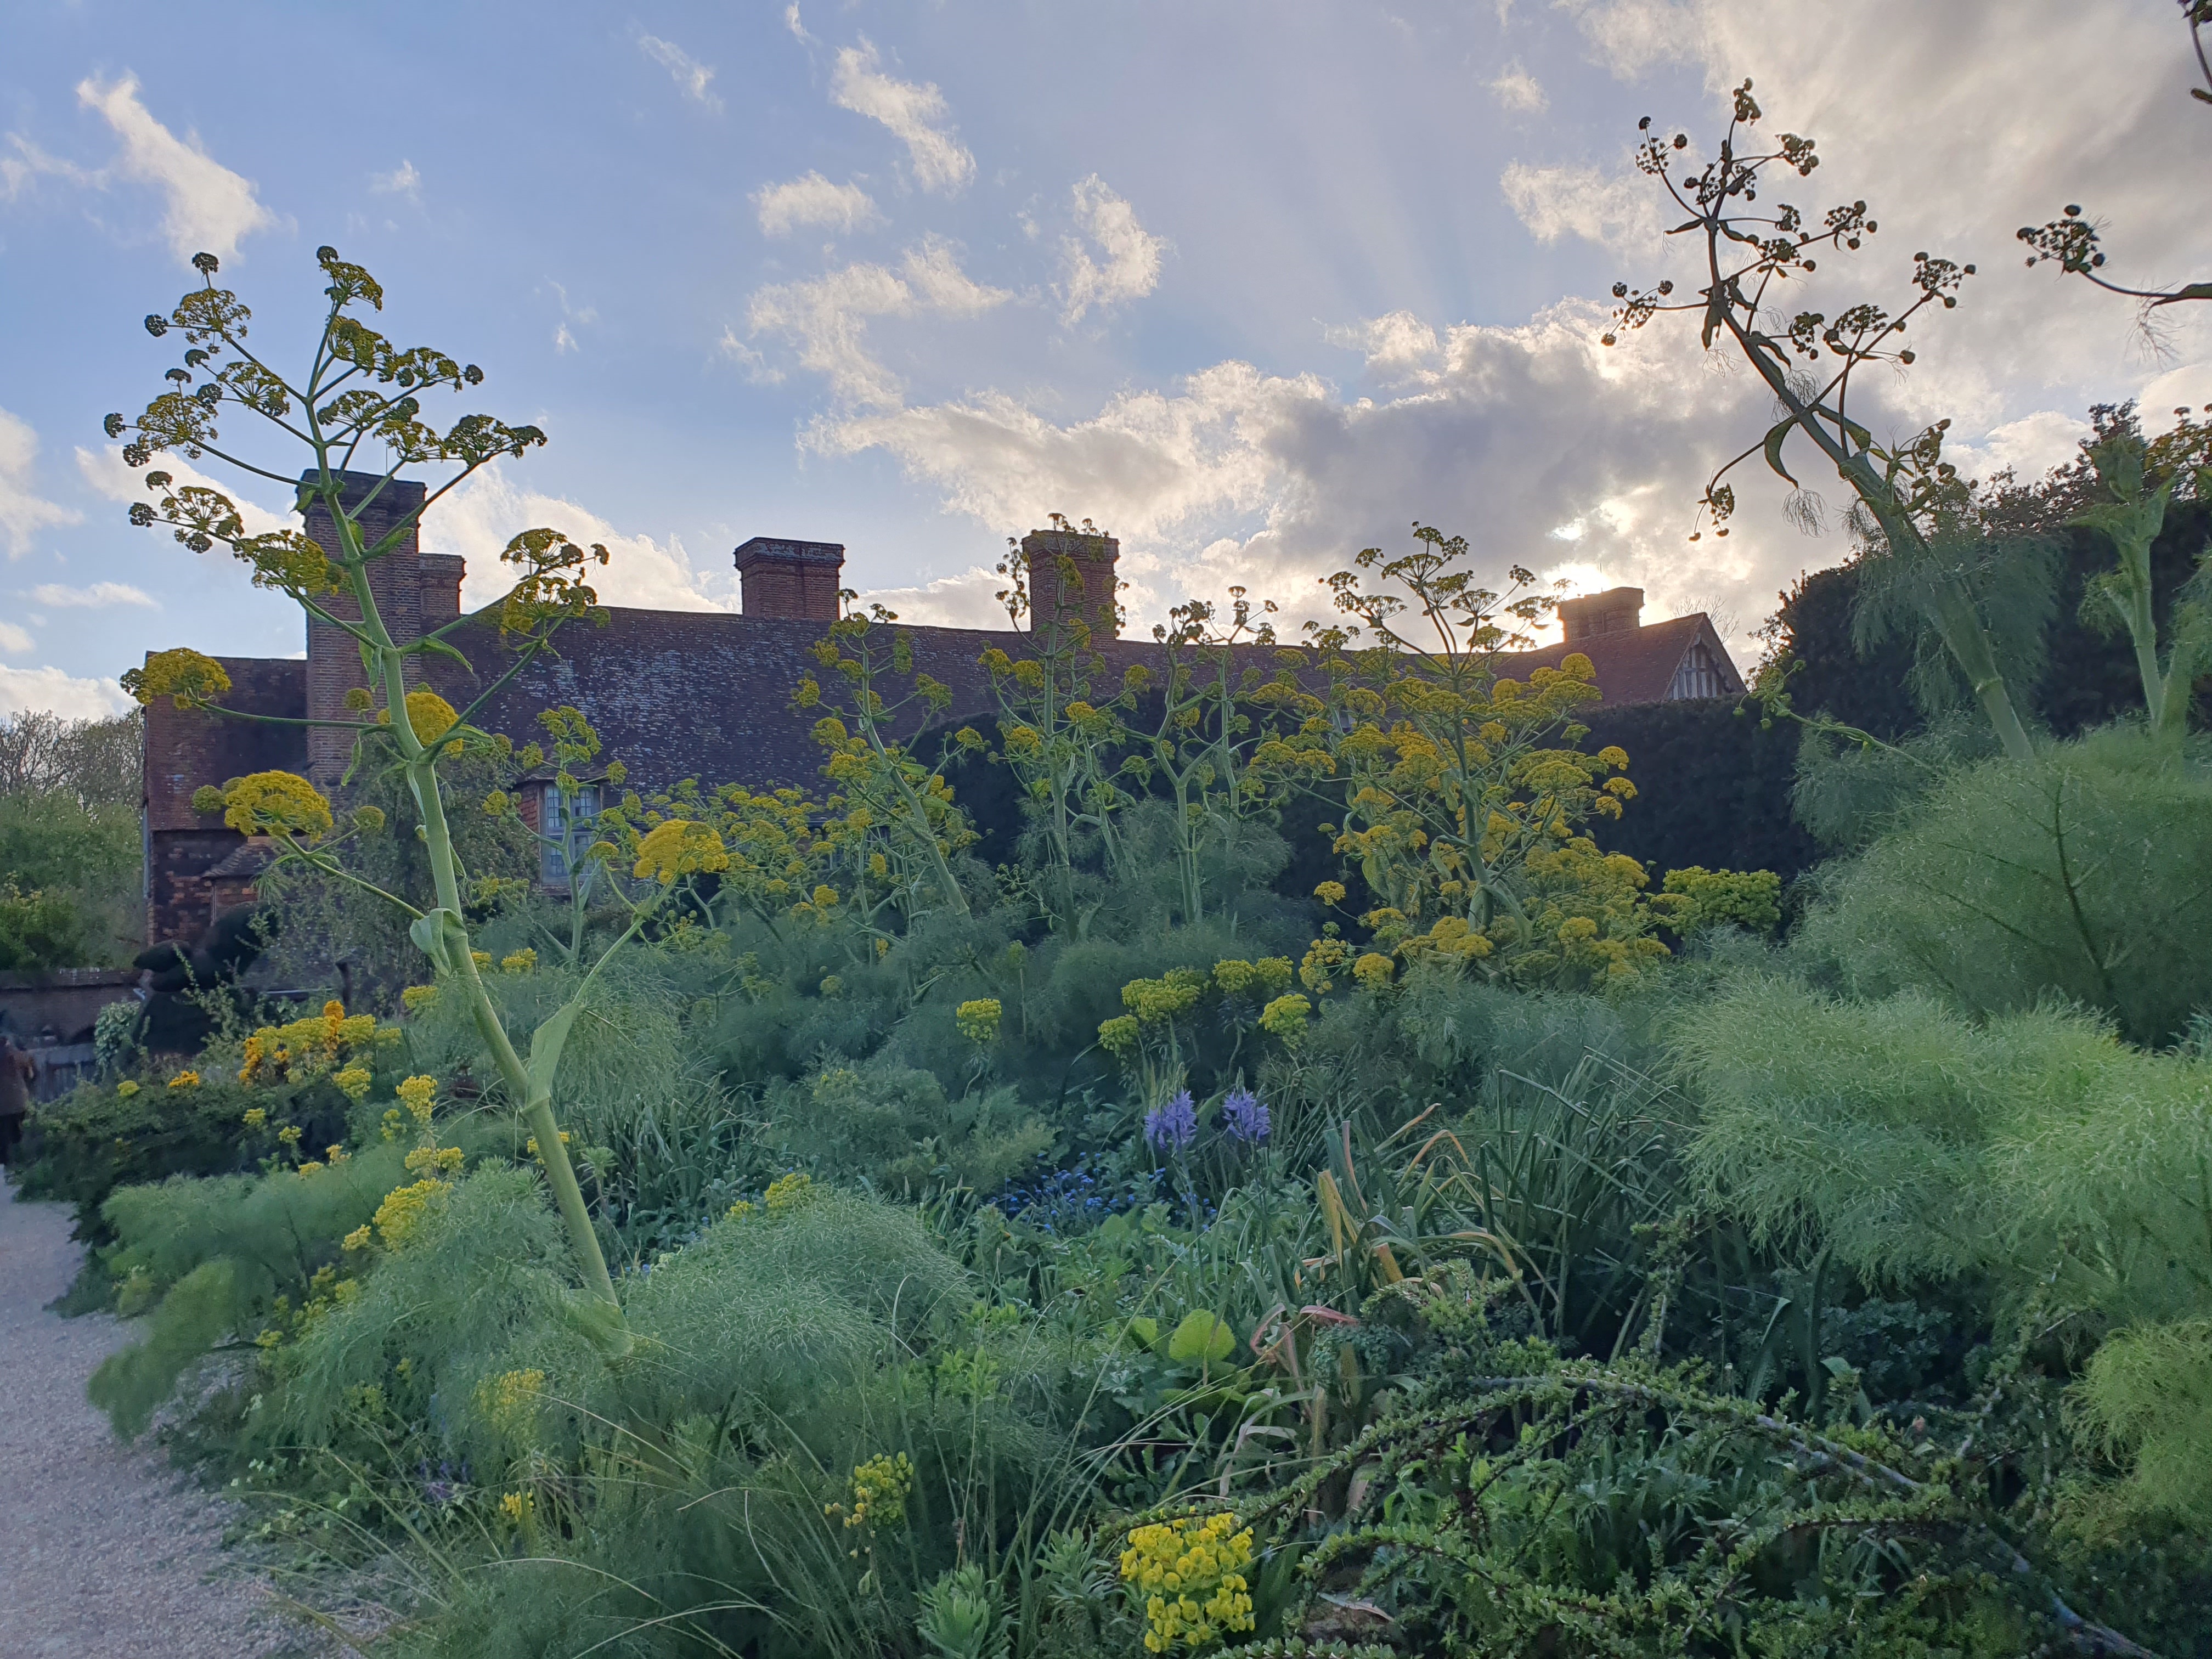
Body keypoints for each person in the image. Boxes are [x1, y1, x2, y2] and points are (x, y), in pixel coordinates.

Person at [0, 1034, 34, 1169]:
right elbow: (31, 1076)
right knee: (19, 1135)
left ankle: (6, 1165)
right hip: (20, 1103)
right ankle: (21, 1163)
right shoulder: (19, 1056)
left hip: (3, 1108)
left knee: (4, 1138)